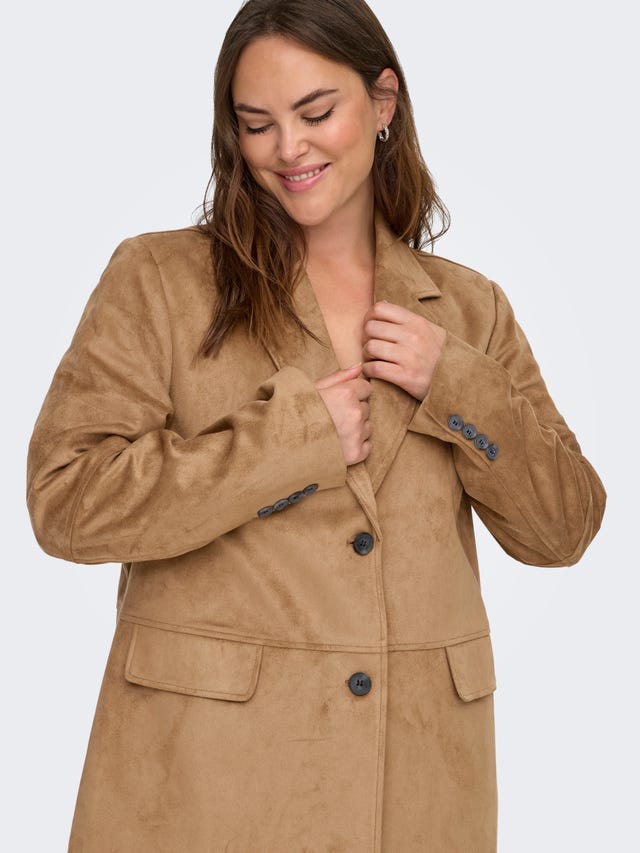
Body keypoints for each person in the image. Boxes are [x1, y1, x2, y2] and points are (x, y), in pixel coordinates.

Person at [26, 0, 606, 850]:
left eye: (315, 112)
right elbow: (68, 501)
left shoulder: (469, 310)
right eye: (257, 124)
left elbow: (564, 527)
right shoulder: (159, 280)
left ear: (383, 101)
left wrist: (456, 386)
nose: (288, 149)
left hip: (415, 797)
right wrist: (289, 444)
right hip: (203, 788)